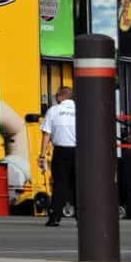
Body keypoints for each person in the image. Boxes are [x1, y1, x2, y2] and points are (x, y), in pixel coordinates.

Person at [41, 85, 78, 226]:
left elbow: (46, 134)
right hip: (78, 152)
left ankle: (55, 217)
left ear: (61, 96)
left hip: (61, 152)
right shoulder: (81, 110)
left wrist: (42, 155)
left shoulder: (53, 110)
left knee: (59, 185)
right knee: (78, 185)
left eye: (56, 96)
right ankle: (82, 218)